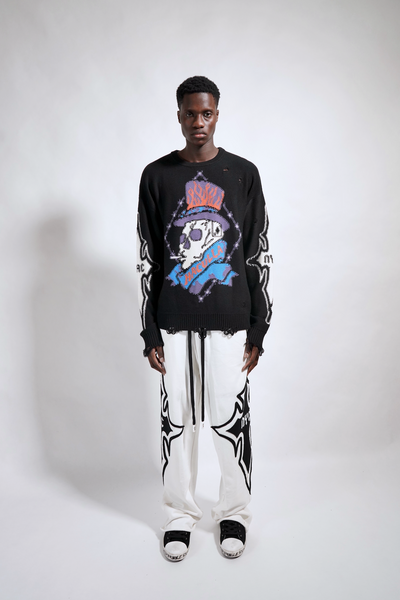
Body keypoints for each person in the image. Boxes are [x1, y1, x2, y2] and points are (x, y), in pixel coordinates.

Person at [137, 76, 272, 561]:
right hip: (173, 321)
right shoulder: (156, 176)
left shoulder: (243, 173)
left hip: (230, 320)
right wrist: (149, 330)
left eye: (207, 113)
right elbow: (148, 259)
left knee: (230, 419)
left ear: (217, 114)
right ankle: (179, 514)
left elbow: (257, 253)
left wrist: (258, 325)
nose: (199, 121)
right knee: (177, 421)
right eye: (191, 113)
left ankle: (234, 511)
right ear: (179, 115)